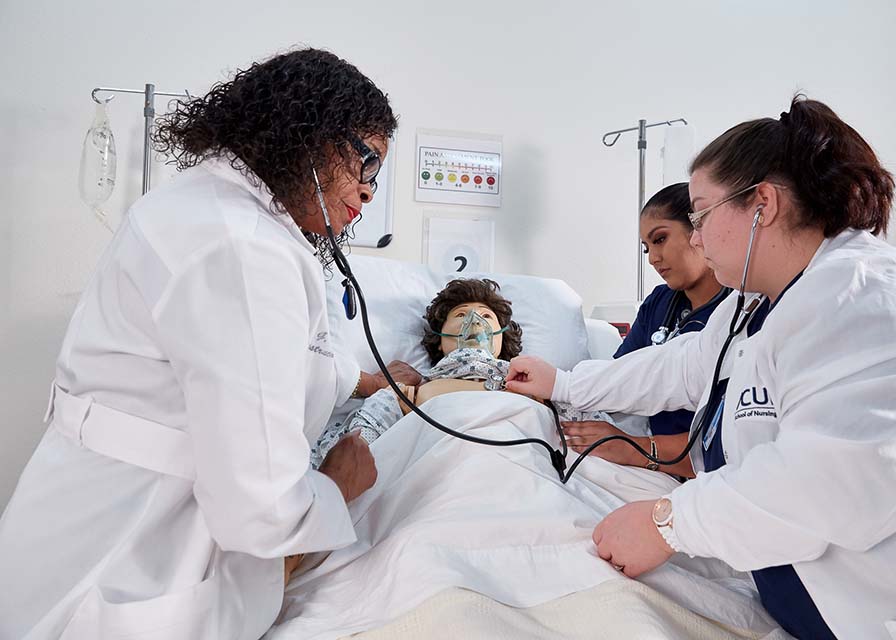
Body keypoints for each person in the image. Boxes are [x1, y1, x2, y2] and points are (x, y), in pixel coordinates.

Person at [0, 48, 420, 640]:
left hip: (81, 518)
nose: (370, 192)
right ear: (310, 134)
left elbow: (273, 354)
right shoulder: (245, 248)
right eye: (367, 162)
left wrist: (367, 381)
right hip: (131, 561)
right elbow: (262, 514)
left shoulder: (210, 206)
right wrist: (337, 483)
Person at [505, 96, 896, 638]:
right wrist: (563, 381)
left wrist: (667, 524)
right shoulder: (753, 304)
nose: (694, 237)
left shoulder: (877, 299)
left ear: (761, 203)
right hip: (783, 590)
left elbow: (841, 484)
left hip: (886, 614)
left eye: (699, 215)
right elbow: (677, 366)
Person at [313, 278, 615, 462]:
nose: (475, 322)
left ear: (502, 337)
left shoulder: (539, 387)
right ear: (439, 338)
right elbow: (342, 455)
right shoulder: (406, 394)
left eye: (486, 316)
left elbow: (602, 438)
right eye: (461, 315)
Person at [562, 183, 729, 478]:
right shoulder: (659, 302)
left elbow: (724, 445)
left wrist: (632, 447)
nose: (652, 258)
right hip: (648, 459)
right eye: (647, 247)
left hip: (692, 471)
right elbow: (619, 379)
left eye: (660, 239)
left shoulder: (735, 313)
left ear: (700, 230)